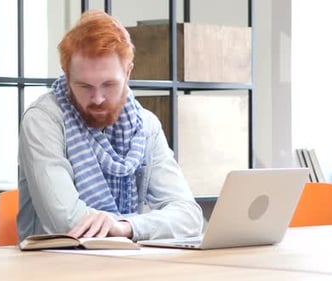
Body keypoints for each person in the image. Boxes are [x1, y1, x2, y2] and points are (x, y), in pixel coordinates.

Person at [17, 10, 203, 242]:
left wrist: (126, 226)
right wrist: (128, 227)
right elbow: (68, 222)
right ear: (66, 75)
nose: (97, 98)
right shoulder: (43, 120)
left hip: (126, 263)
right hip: (53, 267)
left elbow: (189, 216)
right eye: (84, 86)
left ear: (128, 72)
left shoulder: (145, 125)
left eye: (108, 84)